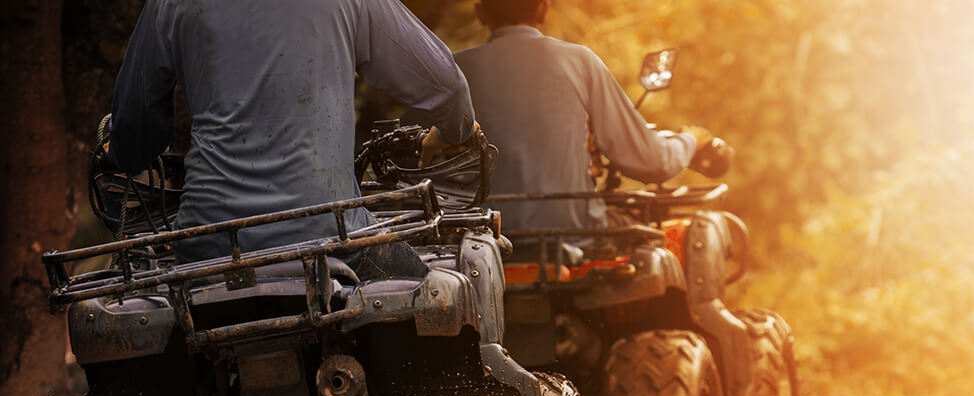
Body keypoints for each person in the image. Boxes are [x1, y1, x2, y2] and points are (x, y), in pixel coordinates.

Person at [108, 0, 477, 272]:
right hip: (331, 234)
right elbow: (447, 89)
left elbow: (134, 133)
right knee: (434, 315)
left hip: (209, 243)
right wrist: (449, 134)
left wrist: (121, 149)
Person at [453, 0, 711, 237]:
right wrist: (690, 140)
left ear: (481, 12)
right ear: (544, 8)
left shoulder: (454, 73)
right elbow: (649, 160)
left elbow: (417, 160)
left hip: (477, 242)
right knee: (658, 237)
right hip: (576, 235)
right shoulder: (579, 61)